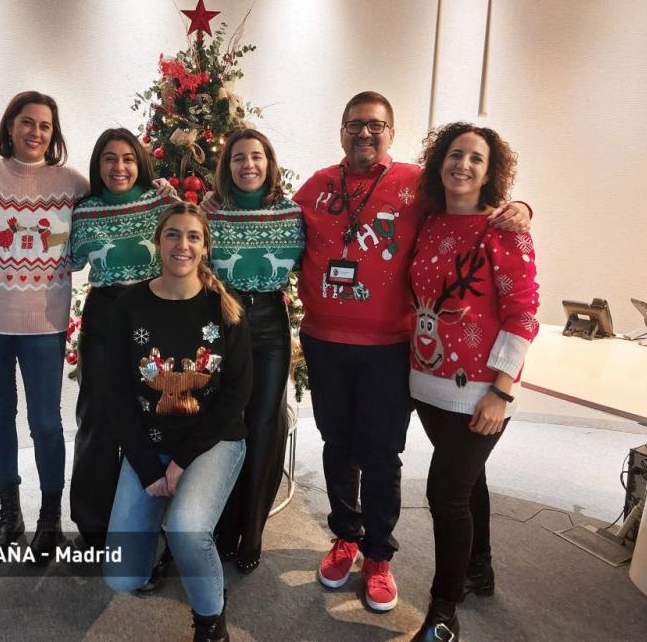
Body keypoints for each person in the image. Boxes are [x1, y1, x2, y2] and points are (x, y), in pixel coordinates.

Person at [292, 91, 531, 612]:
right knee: (337, 445)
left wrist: (520, 207)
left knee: (381, 452)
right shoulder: (315, 187)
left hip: (389, 348)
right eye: (355, 124)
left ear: (391, 133)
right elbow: (275, 229)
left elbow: (471, 204)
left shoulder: (416, 185)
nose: (365, 133)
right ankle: (345, 537)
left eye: (375, 125)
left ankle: (379, 555)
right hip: (325, 342)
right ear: (341, 131)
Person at [407, 123, 538, 641]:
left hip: (482, 392)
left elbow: (523, 312)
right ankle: (478, 568)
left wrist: (501, 391)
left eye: (475, 159)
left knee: (445, 495)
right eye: (455, 155)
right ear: (440, 162)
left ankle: (444, 613)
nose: (462, 165)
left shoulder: (504, 229)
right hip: (427, 383)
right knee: (468, 481)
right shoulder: (431, 222)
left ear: (489, 172)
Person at [103, 202, 251, 642]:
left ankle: (210, 620)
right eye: (172, 234)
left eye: (192, 236)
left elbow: (237, 393)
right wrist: (149, 468)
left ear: (204, 247)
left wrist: (181, 461)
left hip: (212, 442)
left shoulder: (225, 308)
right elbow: (116, 393)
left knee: (186, 528)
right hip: (151, 441)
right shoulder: (130, 306)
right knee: (122, 576)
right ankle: (176, 554)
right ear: (158, 242)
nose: (181, 244)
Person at [0, 91, 87, 560]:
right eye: (27, 122)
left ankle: (50, 520)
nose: (36, 132)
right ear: (10, 125)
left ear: (54, 134)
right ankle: (9, 514)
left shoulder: (72, 184)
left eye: (45, 126)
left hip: (45, 324)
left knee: (46, 423)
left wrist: (158, 191)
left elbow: (117, 205)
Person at [68, 128, 174, 549]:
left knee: (154, 419)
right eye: (109, 158)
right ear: (98, 165)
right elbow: (67, 260)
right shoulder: (85, 211)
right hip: (105, 318)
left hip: (155, 315)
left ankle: (146, 521)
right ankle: (94, 524)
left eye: (128, 158)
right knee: (98, 421)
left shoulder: (160, 202)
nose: (119, 167)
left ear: (140, 162)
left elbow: (192, 241)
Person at [209, 129, 304, 573]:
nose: (248, 165)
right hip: (224, 320)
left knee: (265, 423)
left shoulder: (292, 213)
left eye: (256, 157)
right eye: (238, 158)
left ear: (269, 163)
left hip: (269, 321)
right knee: (227, 421)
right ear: (227, 166)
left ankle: (253, 530)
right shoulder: (211, 213)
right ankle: (224, 523)